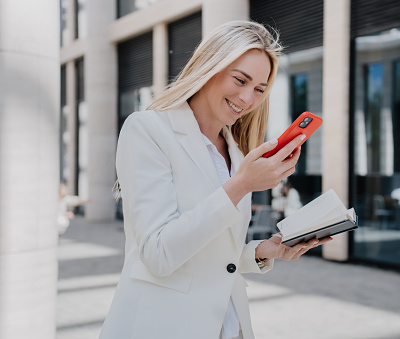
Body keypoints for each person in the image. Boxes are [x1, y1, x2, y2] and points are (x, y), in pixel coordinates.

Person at [99, 20, 332, 339]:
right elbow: (159, 254)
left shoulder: (237, 152)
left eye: (259, 90)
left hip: (229, 326)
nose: (248, 99)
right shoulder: (148, 130)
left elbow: (213, 253)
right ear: (210, 66)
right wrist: (241, 185)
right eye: (240, 80)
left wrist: (264, 250)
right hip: (164, 326)